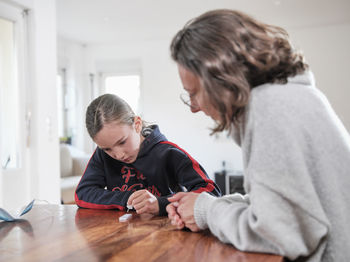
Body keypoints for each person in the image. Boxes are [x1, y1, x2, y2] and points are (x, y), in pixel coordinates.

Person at [166, 9, 350, 262]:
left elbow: (280, 234)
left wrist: (207, 211)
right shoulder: (286, 97)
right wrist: (207, 204)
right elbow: (286, 204)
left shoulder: (272, 108)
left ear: (222, 79)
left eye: (194, 93)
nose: (194, 106)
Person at [75, 94, 221, 216]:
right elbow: (82, 194)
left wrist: (161, 204)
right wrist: (127, 199)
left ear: (137, 124)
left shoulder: (168, 153)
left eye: (122, 142)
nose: (118, 155)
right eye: (107, 149)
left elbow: (211, 193)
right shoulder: (102, 155)